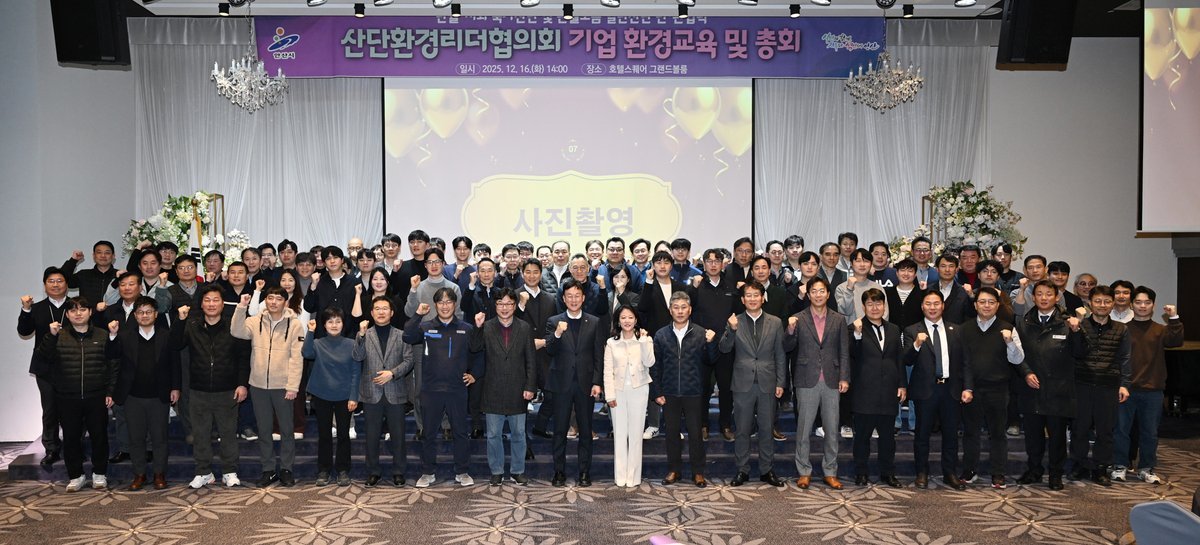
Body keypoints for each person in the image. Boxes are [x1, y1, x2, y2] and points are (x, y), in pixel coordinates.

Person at [1014, 280, 1089, 490]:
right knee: (1033, 436)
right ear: (1033, 297)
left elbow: (1081, 353)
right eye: (1039, 294)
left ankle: (1056, 474)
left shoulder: (1068, 322)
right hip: (1031, 388)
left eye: (1049, 294)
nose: (1044, 298)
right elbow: (1016, 354)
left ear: (1057, 297)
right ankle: (1034, 470)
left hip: (1059, 390)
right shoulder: (1023, 323)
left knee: (1057, 437)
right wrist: (1026, 373)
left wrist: (1077, 331)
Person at [171, 285, 248, 489]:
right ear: (201, 304)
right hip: (199, 390)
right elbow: (175, 344)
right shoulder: (191, 325)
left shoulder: (233, 326)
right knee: (200, 434)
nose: (211, 304)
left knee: (228, 433)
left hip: (227, 390)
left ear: (222, 304)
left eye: (215, 300)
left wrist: (242, 384)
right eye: (207, 300)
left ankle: (229, 471)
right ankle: (203, 472)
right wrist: (180, 320)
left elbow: (243, 358)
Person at [37, 296, 116, 492]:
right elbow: (43, 359)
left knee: (99, 436)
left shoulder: (102, 335)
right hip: (67, 396)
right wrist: (50, 336)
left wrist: (110, 391)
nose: (78, 314)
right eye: (73, 310)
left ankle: (99, 474)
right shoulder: (58, 335)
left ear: (90, 312)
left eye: (82, 309)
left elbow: (112, 366)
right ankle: (76, 475)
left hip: (96, 395)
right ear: (67, 314)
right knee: (71, 438)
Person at [404, 289, 481, 488]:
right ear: (435, 305)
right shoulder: (426, 327)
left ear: (455, 304)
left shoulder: (466, 328)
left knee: (460, 433)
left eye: (449, 302)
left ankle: (462, 471)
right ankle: (427, 472)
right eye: (441, 302)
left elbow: (478, 351)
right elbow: (407, 336)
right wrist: (418, 314)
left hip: (457, 389)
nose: (445, 306)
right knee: (428, 434)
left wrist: (474, 374)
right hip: (431, 390)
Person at [232, 287, 305, 488]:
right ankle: (268, 469)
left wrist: (293, 386)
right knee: (264, 430)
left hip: (283, 386)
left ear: (285, 302)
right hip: (258, 385)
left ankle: (287, 469)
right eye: (270, 298)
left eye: (278, 299)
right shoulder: (255, 321)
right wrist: (241, 307)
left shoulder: (295, 324)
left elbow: (297, 358)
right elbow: (236, 331)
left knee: (287, 430)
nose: (273, 302)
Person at [901, 290, 973, 491]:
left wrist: (968, 387)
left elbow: (966, 362)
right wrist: (917, 345)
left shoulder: (957, 330)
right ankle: (921, 473)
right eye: (928, 304)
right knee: (922, 435)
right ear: (922, 307)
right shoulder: (911, 330)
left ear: (943, 306)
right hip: (925, 390)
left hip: (951, 389)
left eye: (936, 303)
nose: (932, 307)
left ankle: (950, 473)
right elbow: (906, 359)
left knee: (950, 435)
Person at [1112, 286, 1184, 484]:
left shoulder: (1160, 330)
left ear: (1153, 305)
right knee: (1121, 430)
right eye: (1138, 302)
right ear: (1132, 304)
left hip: (1153, 390)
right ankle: (1120, 465)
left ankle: (1146, 468)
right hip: (1126, 389)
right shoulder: (1122, 329)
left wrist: (1174, 317)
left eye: (1147, 302)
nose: (1142, 306)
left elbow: (1176, 341)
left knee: (1149, 432)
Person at [109, 296, 180, 491]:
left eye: (149, 312)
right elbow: (112, 357)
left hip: (159, 396)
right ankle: (139, 474)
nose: (145, 315)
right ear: (135, 315)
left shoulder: (166, 335)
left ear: (156, 314)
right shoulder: (125, 336)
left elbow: (175, 364)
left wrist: (175, 387)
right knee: (136, 438)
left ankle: (159, 474)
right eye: (140, 312)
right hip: (133, 397)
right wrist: (113, 335)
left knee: (159, 438)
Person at [784, 277, 850, 490]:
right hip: (806, 379)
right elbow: (787, 346)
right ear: (808, 294)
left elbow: (844, 350)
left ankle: (830, 471)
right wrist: (790, 330)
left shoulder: (838, 319)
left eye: (822, 291)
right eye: (814, 291)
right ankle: (804, 471)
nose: (818, 295)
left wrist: (844, 377)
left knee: (832, 430)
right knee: (804, 429)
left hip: (832, 379)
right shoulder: (798, 318)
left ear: (828, 294)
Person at [720, 281, 787, 487]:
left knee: (767, 428)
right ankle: (742, 470)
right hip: (743, 383)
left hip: (768, 382)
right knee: (742, 429)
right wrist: (731, 330)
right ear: (742, 300)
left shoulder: (775, 322)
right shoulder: (735, 321)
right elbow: (724, 348)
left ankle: (767, 470)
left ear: (762, 298)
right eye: (748, 295)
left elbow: (780, 354)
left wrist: (781, 382)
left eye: (756, 295)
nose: (752, 299)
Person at [469, 289, 537, 486]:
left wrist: (530, 386)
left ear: (514, 306)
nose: (504, 308)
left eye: (508, 304)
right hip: (493, 389)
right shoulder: (487, 326)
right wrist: (477, 327)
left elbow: (531, 360)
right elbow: (474, 347)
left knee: (519, 434)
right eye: (500, 303)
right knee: (493, 435)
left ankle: (517, 471)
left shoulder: (524, 327)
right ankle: (496, 471)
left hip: (518, 389)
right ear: (495, 306)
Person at [959, 287, 1024, 490]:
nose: (986, 306)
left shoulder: (1008, 328)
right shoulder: (965, 328)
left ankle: (998, 473)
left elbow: (1018, 359)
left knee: (997, 433)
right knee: (971, 432)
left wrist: (1009, 342)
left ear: (997, 305)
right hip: (972, 389)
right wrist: (966, 387)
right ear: (975, 305)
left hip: (998, 389)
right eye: (982, 302)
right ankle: (970, 470)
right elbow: (962, 361)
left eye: (991, 302)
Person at [544, 279, 606, 487]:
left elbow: (598, 355)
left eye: (577, 296)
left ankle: (584, 472)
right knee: (560, 430)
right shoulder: (554, 321)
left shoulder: (594, 321)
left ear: (583, 298)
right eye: (569, 296)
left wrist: (597, 382)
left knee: (586, 430)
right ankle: (559, 472)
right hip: (561, 384)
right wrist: (557, 334)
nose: (573, 299)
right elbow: (549, 350)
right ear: (563, 298)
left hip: (586, 384)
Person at [651, 291, 717, 488]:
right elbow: (656, 366)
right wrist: (657, 392)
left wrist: (711, 344)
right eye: (676, 307)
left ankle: (698, 472)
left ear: (690, 310)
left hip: (693, 392)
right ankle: (674, 470)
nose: (680, 311)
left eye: (683, 307)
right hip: (669, 392)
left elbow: (711, 360)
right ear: (670, 310)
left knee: (696, 434)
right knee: (671, 434)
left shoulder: (701, 333)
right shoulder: (661, 335)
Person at [1070, 285, 1130, 486]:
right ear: (1090, 303)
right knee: (1079, 428)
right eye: (1097, 301)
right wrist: (1077, 329)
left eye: (1106, 301)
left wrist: (1124, 384)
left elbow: (1125, 359)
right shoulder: (1080, 325)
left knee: (1105, 430)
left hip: (1108, 385)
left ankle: (1101, 468)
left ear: (1112, 304)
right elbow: (1075, 353)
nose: (1102, 305)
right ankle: (1078, 465)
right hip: (1082, 383)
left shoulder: (1121, 329)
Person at [353, 296, 415, 487]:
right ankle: (373, 471)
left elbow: (409, 361)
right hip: (371, 392)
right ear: (372, 313)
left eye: (385, 308)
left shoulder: (401, 335)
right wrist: (361, 335)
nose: (381, 312)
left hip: (395, 391)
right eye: (377, 309)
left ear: (392, 312)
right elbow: (357, 356)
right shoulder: (364, 334)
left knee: (398, 436)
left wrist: (392, 373)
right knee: (371, 437)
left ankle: (399, 471)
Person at [848, 288, 906, 488]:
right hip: (864, 392)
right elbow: (851, 355)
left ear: (884, 306)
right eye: (870, 304)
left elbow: (899, 359)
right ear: (863, 307)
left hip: (888, 392)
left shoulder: (894, 329)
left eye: (878, 303)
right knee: (862, 438)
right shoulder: (854, 328)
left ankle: (888, 473)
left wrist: (902, 384)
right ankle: (861, 473)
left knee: (888, 439)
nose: (874, 308)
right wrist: (856, 335)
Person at [17, 266, 71, 470]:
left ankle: (74, 446)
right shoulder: (37, 308)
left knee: (74, 409)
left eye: (60, 281)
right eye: (51, 281)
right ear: (45, 285)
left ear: (67, 284)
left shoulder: (76, 306)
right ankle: (51, 448)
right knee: (49, 409)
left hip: (73, 365)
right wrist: (25, 309)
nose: (56, 285)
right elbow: (24, 331)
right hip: (45, 367)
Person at [303, 308, 362, 487]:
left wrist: (354, 396)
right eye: (330, 321)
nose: (334, 325)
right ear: (324, 324)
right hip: (322, 394)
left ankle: (343, 470)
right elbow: (306, 353)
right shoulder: (318, 343)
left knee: (344, 434)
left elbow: (356, 372)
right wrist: (310, 331)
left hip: (344, 395)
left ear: (343, 324)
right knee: (324, 435)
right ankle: (324, 470)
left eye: (338, 321)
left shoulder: (351, 344)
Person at [691, 248, 743, 443]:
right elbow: (687, 312)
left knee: (726, 388)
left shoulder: (731, 287)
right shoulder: (696, 286)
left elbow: (738, 314)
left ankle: (725, 425)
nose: (713, 264)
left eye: (717, 261)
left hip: (725, 345)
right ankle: (703, 425)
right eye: (709, 261)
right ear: (703, 264)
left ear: (723, 264)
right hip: (702, 345)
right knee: (703, 388)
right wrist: (693, 289)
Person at [638, 251, 692, 439]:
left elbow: (686, 312)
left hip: (677, 338)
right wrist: (648, 282)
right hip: (654, 339)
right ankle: (653, 425)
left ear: (672, 265)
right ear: (653, 265)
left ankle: (673, 426)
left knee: (673, 382)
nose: (662, 266)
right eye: (658, 262)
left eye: (666, 262)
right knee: (653, 380)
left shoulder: (680, 287)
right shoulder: (648, 285)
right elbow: (642, 309)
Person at [603, 305, 655, 487]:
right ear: (618, 321)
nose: (627, 321)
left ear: (636, 320)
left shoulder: (645, 340)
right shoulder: (611, 343)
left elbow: (650, 362)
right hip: (617, 392)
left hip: (639, 390)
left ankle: (633, 476)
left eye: (630, 317)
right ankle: (620, 476)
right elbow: (607, 371)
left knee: (635, 434)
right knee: (619, 434)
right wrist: (609, 395)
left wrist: (643, 341)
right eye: (623, 317)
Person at [885, 258, 924, 436]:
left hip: (915, 345)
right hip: (891, 344)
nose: (906, 274)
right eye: (902, 270)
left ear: (915, 274)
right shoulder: (887, 293)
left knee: (915, 383)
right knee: (894, 383)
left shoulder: (922, 294)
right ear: (897, 273)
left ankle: (915, 422)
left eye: (910, 270)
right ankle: (895, 421)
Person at [61, 241, 118, 307]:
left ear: (113, 256)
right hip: (87, 313)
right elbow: (62, 280)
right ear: (93, 255)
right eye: (99, 252)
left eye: (107, 253)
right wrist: (73, 260)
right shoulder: (83, 275)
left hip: (115, 313)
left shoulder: (119, 276)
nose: (103, 256)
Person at [933, 254, 975, 325]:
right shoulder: (928, 290)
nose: (947, 270)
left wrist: (972, 296)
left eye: (951, 266)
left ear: (957, 269)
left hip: (957, 330)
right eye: (943, 266)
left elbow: (971, 315)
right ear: (937, 269)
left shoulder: (964, 292)